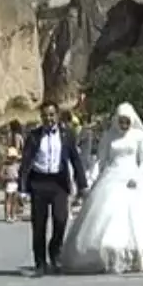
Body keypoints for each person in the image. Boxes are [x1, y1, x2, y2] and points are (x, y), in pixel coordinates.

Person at [60, 102, 143, 274]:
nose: (124, 125)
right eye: (121, 121)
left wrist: (137, 177)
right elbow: (102, 160)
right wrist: (92, 179)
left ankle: (138, 253)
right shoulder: (109, 137)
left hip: (134, 177)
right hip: (112, 176)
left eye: (126, 121)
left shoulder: (138, 137)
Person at [17, 101, 89, 276]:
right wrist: (22, 189)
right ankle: (40, 262)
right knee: (39, 225)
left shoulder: (67, 135)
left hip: (59, 182)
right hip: (39, 182)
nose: (48, 119)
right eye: (45, 116)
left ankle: (55, 251)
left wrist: (82, 184)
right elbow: (26, 162)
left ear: (56, 116)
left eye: (51, 115)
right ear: (41, 117)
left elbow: (76, 160)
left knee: (61, 219)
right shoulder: (33, 136)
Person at [1, 147, 21, 223]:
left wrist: (18, 178)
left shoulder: (17, 165)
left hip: (16, 183)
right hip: (9, 183)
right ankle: (7, 216)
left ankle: (13, 215)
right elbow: (1, 175)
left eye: (14, 157)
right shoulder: (5, 165)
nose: (12, 159)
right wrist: (7, 178)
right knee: (8, 200)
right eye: (11, 157)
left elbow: (20, 173)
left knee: (14, 200)